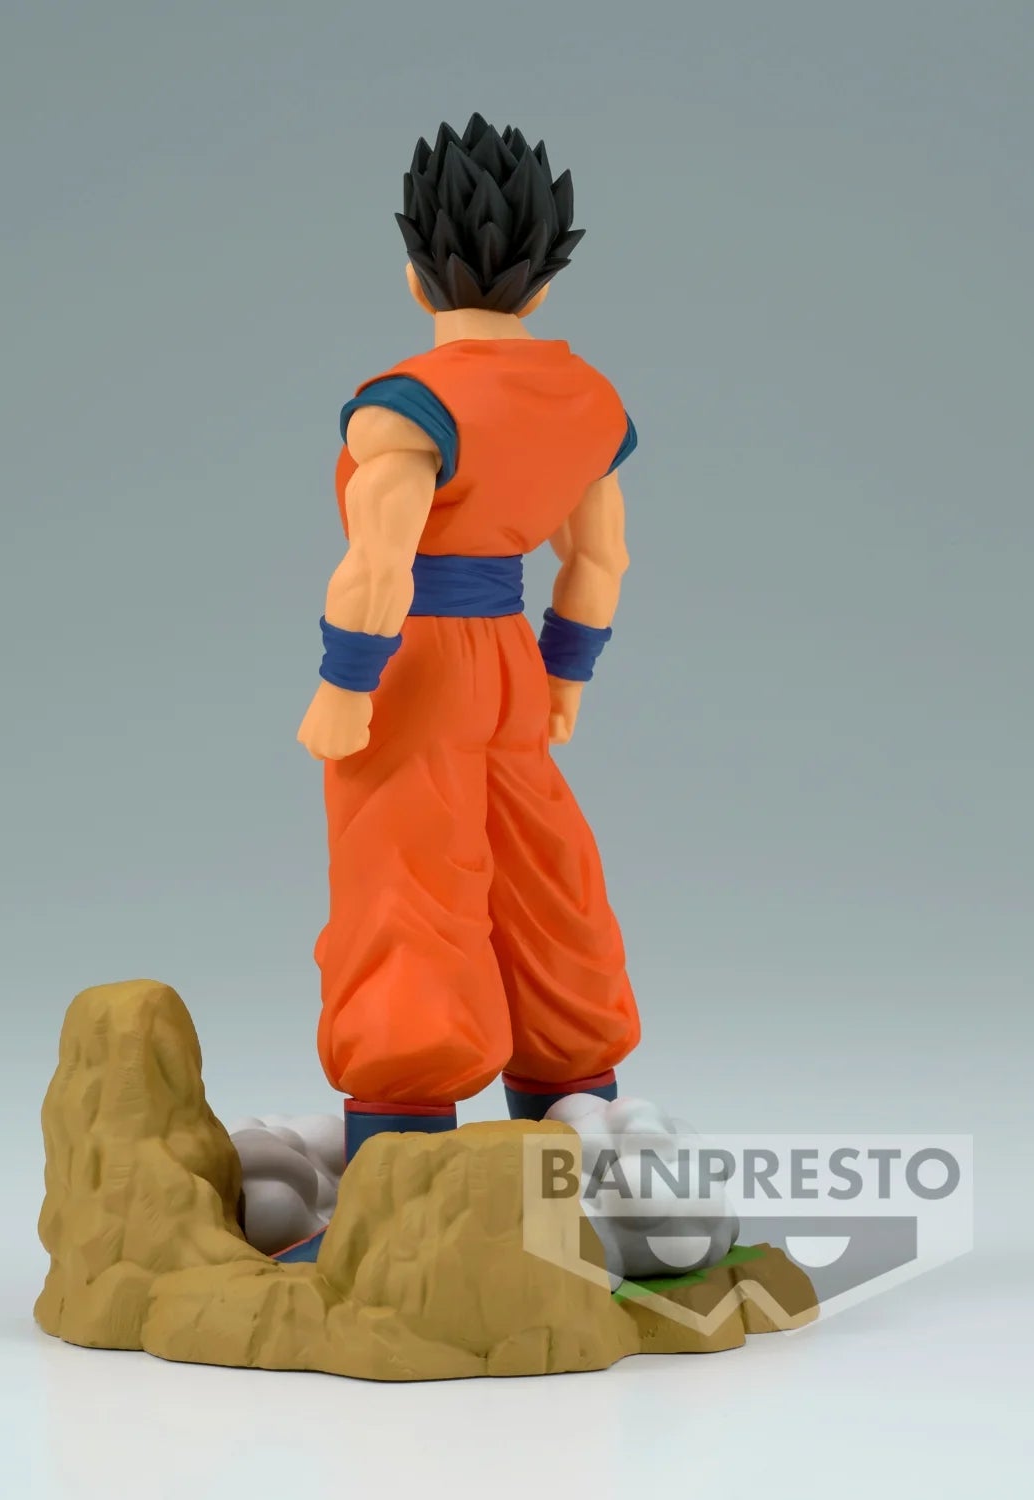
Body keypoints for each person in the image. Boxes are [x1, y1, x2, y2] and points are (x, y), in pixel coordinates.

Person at [280, 114, 641, 1260]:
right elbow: (601, 559)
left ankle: (402, 1152)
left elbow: (376, 565)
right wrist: (566, 672)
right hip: (513, 661)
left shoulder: (405, 403)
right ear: (545, 282)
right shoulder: (587, 399)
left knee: (405, 880)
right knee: (541, 872)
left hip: (419, 660)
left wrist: (346, 681)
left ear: (414, 270)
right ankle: (577, 1113)